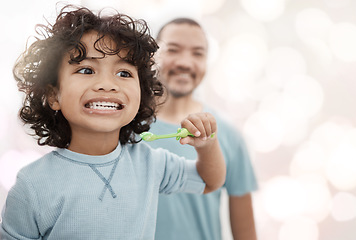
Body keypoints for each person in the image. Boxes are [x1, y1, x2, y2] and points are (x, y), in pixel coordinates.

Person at [0, 6, 226, 240]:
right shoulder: (32, 185)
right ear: (54, 95)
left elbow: (209, 181)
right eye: (87, 70)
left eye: (124, 74)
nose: (107, 84)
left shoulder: (150, 163)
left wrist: (207, 145)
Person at [149, 18, 258, 240]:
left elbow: (245, 233)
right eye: (173, 50)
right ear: (153, 56)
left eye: (197, 54)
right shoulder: (123, 129)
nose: (186, 63)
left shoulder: (227, 135)